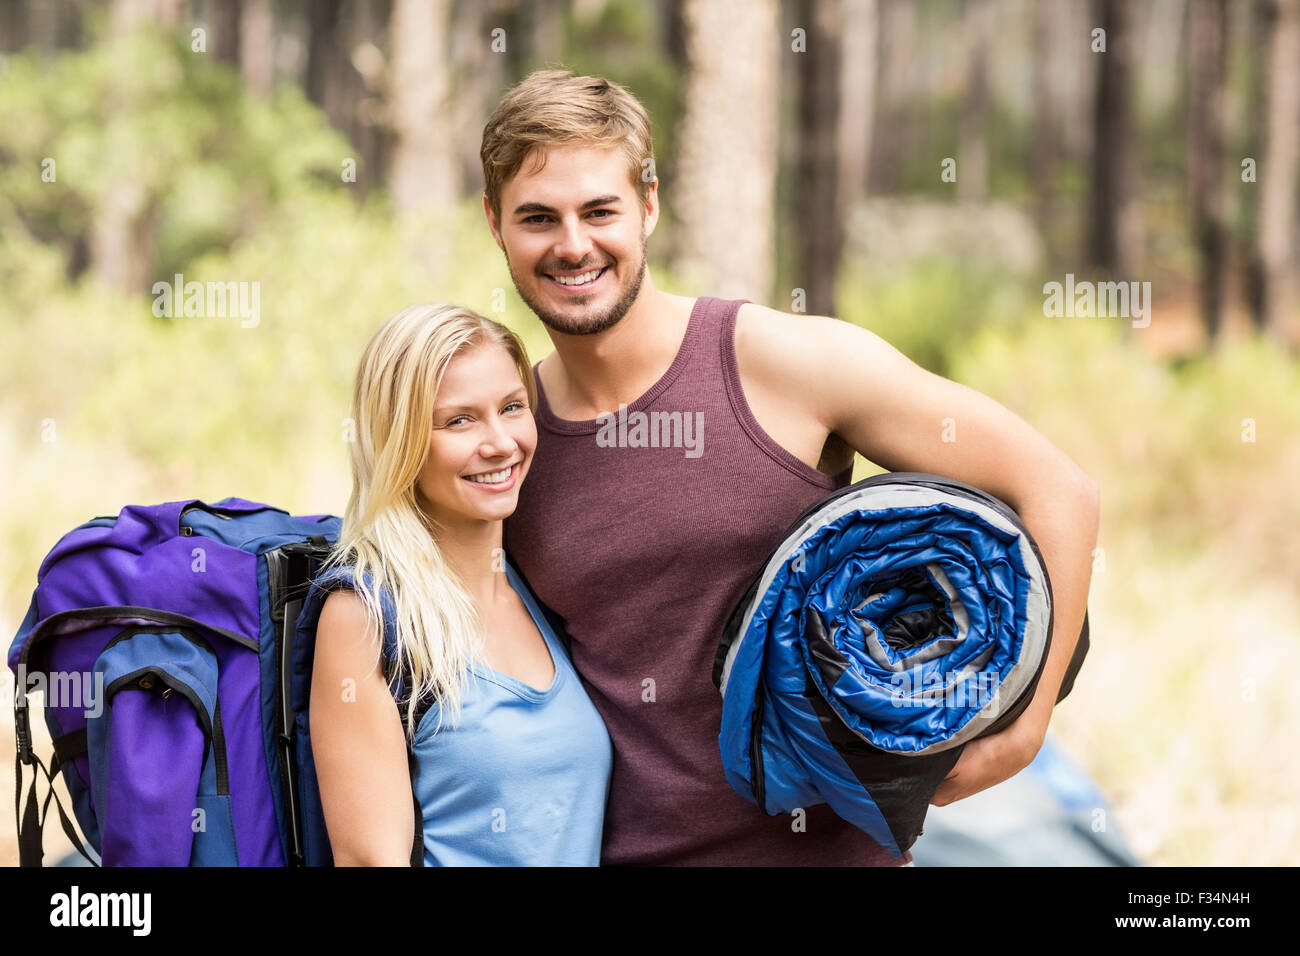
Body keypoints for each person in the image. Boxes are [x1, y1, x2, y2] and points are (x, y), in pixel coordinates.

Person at [486, 71, 1101, 866]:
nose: (573, 244)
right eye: (538, 218)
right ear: (496, 224)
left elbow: (1058, 490)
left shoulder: (781, 363)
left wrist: (1024, 730)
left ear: (647, 205)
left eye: (598, 210)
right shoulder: (505, 443)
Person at [309, 302, 612, 866]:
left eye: (512, 407)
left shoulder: (535, 590)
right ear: (399, 440)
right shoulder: (365, 616)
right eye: (459, 420)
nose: (500, 443)